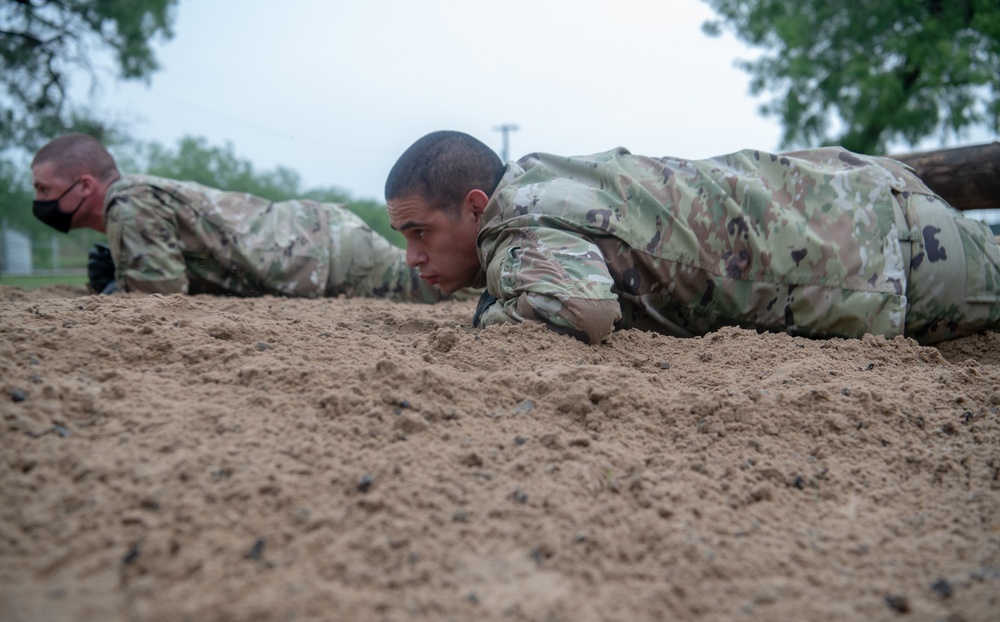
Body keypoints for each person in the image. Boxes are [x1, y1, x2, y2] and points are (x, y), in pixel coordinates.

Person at [385, 130, 1000, 344]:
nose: (413, 256)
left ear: (474, 208)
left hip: (891, 256)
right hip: (862, 207)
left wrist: (493, 309)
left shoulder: (516, 222)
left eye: (420, 231)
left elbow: (583, 310)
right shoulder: (545, 181)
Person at [31, 133, 441, 302]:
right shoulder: (135, 198)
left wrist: (112, 289)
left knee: (444, 289)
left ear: (85, 186)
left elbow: (158, 300)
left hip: (329, 256)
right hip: (320, 246)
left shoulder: (127, 201)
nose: (40, 200)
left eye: (44, 190)